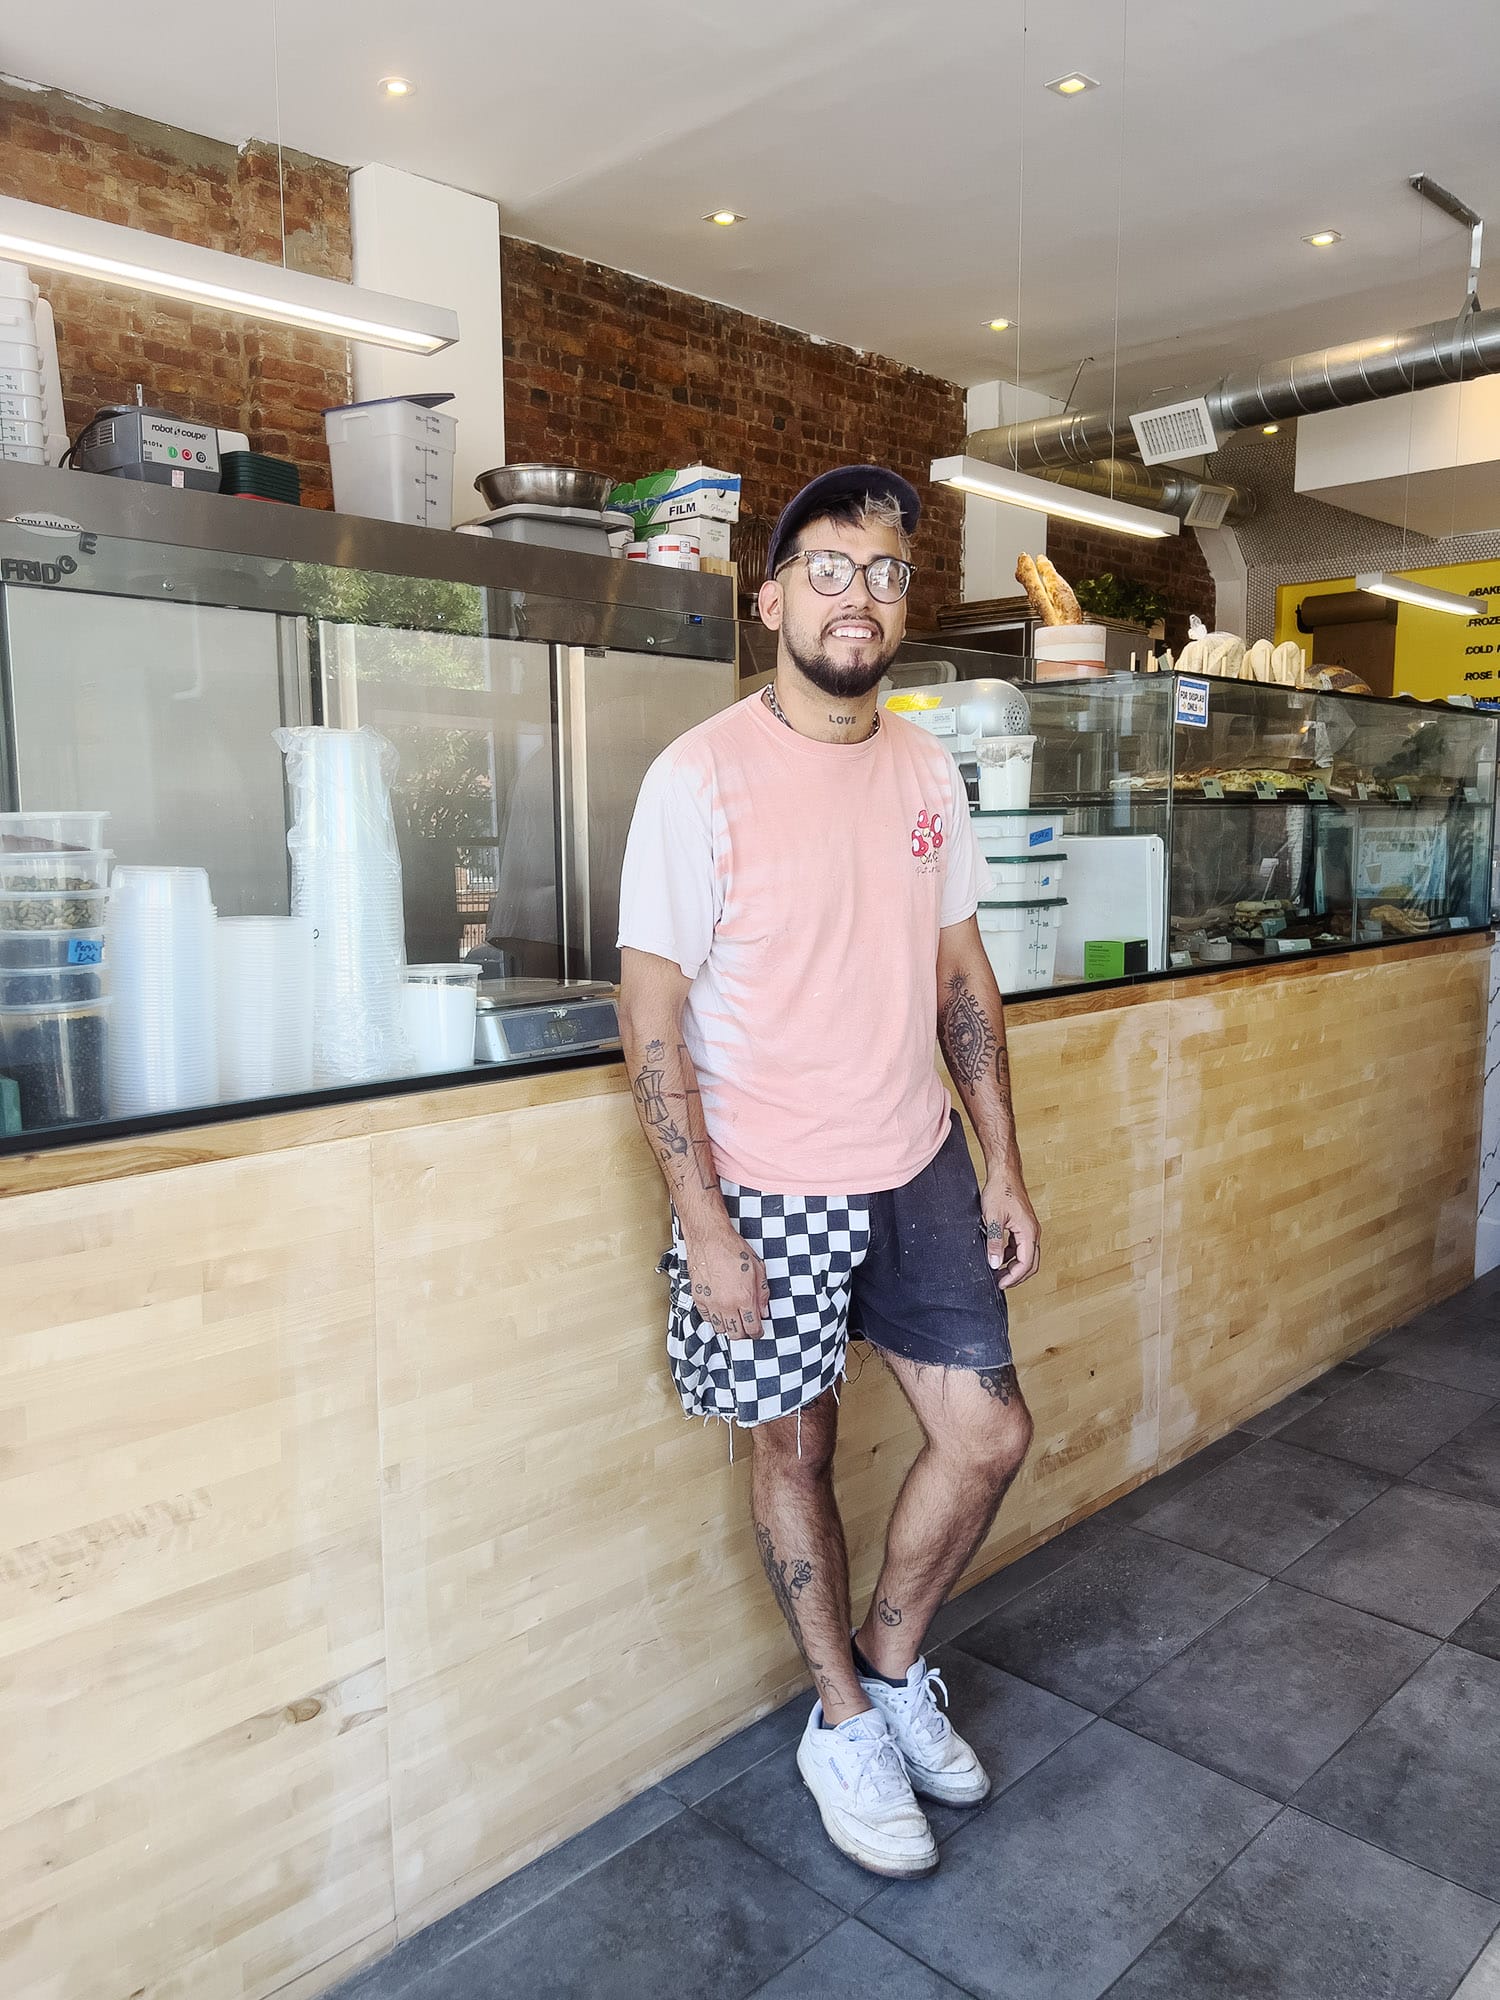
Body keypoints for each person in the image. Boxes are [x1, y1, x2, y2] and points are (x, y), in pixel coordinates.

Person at [616, 464, 1040, 1880]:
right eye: (831, 570)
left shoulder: (923, 764)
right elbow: (653, 1009)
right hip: (771, 1182)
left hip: (914, 1159)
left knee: (988, 1435)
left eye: (886, 574)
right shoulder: (700, 776)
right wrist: (702, 1220)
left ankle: (894, 1662)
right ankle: (844, 1718)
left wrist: (1001, 1164)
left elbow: (959, 970)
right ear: (774, 594)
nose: (860, 598)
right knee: (793, 1450)